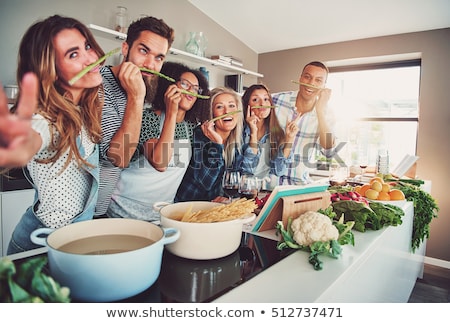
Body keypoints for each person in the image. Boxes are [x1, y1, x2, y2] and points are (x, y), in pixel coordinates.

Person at [7, 15, 105, 254]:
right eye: (73, 54)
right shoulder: (45, 120)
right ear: (50, 70)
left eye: (87, 46)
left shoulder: (85, 113)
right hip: (39, 247)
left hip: (74, 243)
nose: (90, 59)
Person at [106, 62, 210, 221]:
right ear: (169, 86)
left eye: (196, 88)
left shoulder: (190, 127)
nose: (191, 91)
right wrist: (171, 114)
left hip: (161, 212)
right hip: (124, 209)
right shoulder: (148, 118)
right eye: (185, 84)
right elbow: (160, 162)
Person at [95, 16, 175, 216]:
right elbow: (118, 158)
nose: (150, 64)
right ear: (125, 48)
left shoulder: (138, 89)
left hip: (99, 210)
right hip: (74, 213)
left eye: (159, 57)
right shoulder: (98, 86)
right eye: (143, 50)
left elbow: (161, 163)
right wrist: (137, 97)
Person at [272, 61, 337, 185]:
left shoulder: (327, 114)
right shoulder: (276, 100)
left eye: (318, 80)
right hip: (267, 186)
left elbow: (329, 151)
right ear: (300, 78)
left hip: (298, 187)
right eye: (307, 77)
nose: (311, 83)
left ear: (324, 85)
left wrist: (320, 111)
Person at [175, 86, 244, 202]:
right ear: (211, 114)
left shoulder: (236, 141)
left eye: (232, 106)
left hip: (213, 207)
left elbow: (234, 180)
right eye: (219, 107)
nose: (227, 111)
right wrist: (217, 144)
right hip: (189, 207)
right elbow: (205, 183)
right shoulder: (199, 136)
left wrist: (226, 198)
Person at [241, 83, 299, 189]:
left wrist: (289, 139)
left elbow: (279, 170)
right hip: (241, 193)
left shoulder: (276, 134)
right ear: (247, 105)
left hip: (264, 193)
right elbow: (248, 169)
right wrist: (253, 134)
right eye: (255, 100)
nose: (262, 104)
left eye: (266, 99)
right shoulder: (240, 132)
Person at [0, 73, 39, 168]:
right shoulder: (44, 119)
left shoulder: (78, 109)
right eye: (73, 56)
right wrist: (26, 144)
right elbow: (39, 133)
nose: (83, 62)